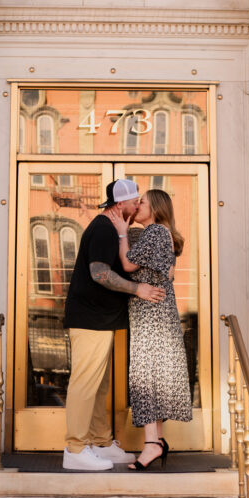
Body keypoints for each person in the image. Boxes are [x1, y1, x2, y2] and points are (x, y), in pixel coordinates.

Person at [62, 178, 166, 471]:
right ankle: (76, 449)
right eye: (136, 202)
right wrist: (138, 290)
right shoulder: (103, 228)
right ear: (122, 204)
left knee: (98, 386)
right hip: (90, 318)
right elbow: (99, 274)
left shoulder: (111, 228)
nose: (137, 206)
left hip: (100, 319)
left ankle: (99, 442)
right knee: (85, 384)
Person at [108, 189, 192, 470]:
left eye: (141, 202)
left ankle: (152, 444)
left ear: (155, 207)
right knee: (153, 377)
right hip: (157, 313)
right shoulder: (160, 232)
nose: (137, 206)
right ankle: (156, 441)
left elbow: (128, 263)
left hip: (150, 315)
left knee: (145, 377)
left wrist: (121, 231)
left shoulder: (155, 231)